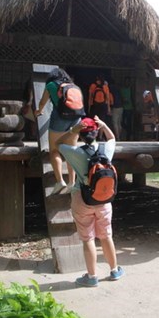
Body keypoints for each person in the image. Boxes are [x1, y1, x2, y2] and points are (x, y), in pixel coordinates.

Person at [58, 116, 124, 287]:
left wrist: (73, 130)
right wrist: (103, 124)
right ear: (96, 133)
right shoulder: (105, 150)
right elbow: (112, 138)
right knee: (106, 236)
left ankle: (92, 276)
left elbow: (58, 144)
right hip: (104, 199)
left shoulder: (76, 153)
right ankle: (115, 270)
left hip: (82, 198)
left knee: (88, 239)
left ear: (81, 135)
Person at [34, 68, 83, 194]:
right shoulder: (74, 86)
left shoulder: (51, 85)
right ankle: (72, 183)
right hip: (76, 118)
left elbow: (42, 102)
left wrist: (39, 111)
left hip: (60, 118)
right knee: (71, 151)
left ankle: (60, 181)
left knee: (55, 150)